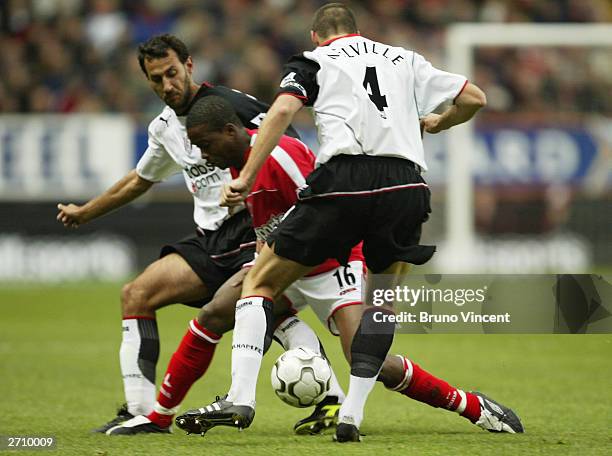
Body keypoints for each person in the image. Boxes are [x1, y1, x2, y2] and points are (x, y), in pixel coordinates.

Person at [187, 3, 523, 443]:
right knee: (380, 305)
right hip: (404, 187)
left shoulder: (314, 61)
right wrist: (441, 122)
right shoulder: (404, 58)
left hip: (343, 182)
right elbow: (474, 98)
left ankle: (240, 398)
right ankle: (351, 415)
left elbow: (283, 111)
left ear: (315, 36)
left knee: (260, 283)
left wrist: (247, 174)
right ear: (358, 32)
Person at [56, 33, 344, 434]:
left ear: (189, 66)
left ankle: (329, 399)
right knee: (139, 295)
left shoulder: (233, 105)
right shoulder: (163, 128)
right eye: (156, 79)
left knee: (259, 311)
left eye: (172, 73)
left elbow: (284, 143)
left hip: (250, 225)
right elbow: (140, 180)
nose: (167, 85)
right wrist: (86, 212)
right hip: (209, 238)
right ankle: (140, 411)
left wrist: (254, 187)